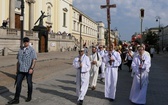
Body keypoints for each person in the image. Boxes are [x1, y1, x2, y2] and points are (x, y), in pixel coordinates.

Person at [8, 37, 37, 104]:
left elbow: (34, 60)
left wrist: (31, 68)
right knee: (18, 84)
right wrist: (17, 69)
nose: (25, 43)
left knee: (29, 83)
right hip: (21, 70)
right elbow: (18, 61)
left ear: (29, 42)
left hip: (28, 69)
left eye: (26, 42)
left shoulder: (32, 50)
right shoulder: (20, 50)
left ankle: (29, 96)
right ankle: (16, 99)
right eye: (24, 41)